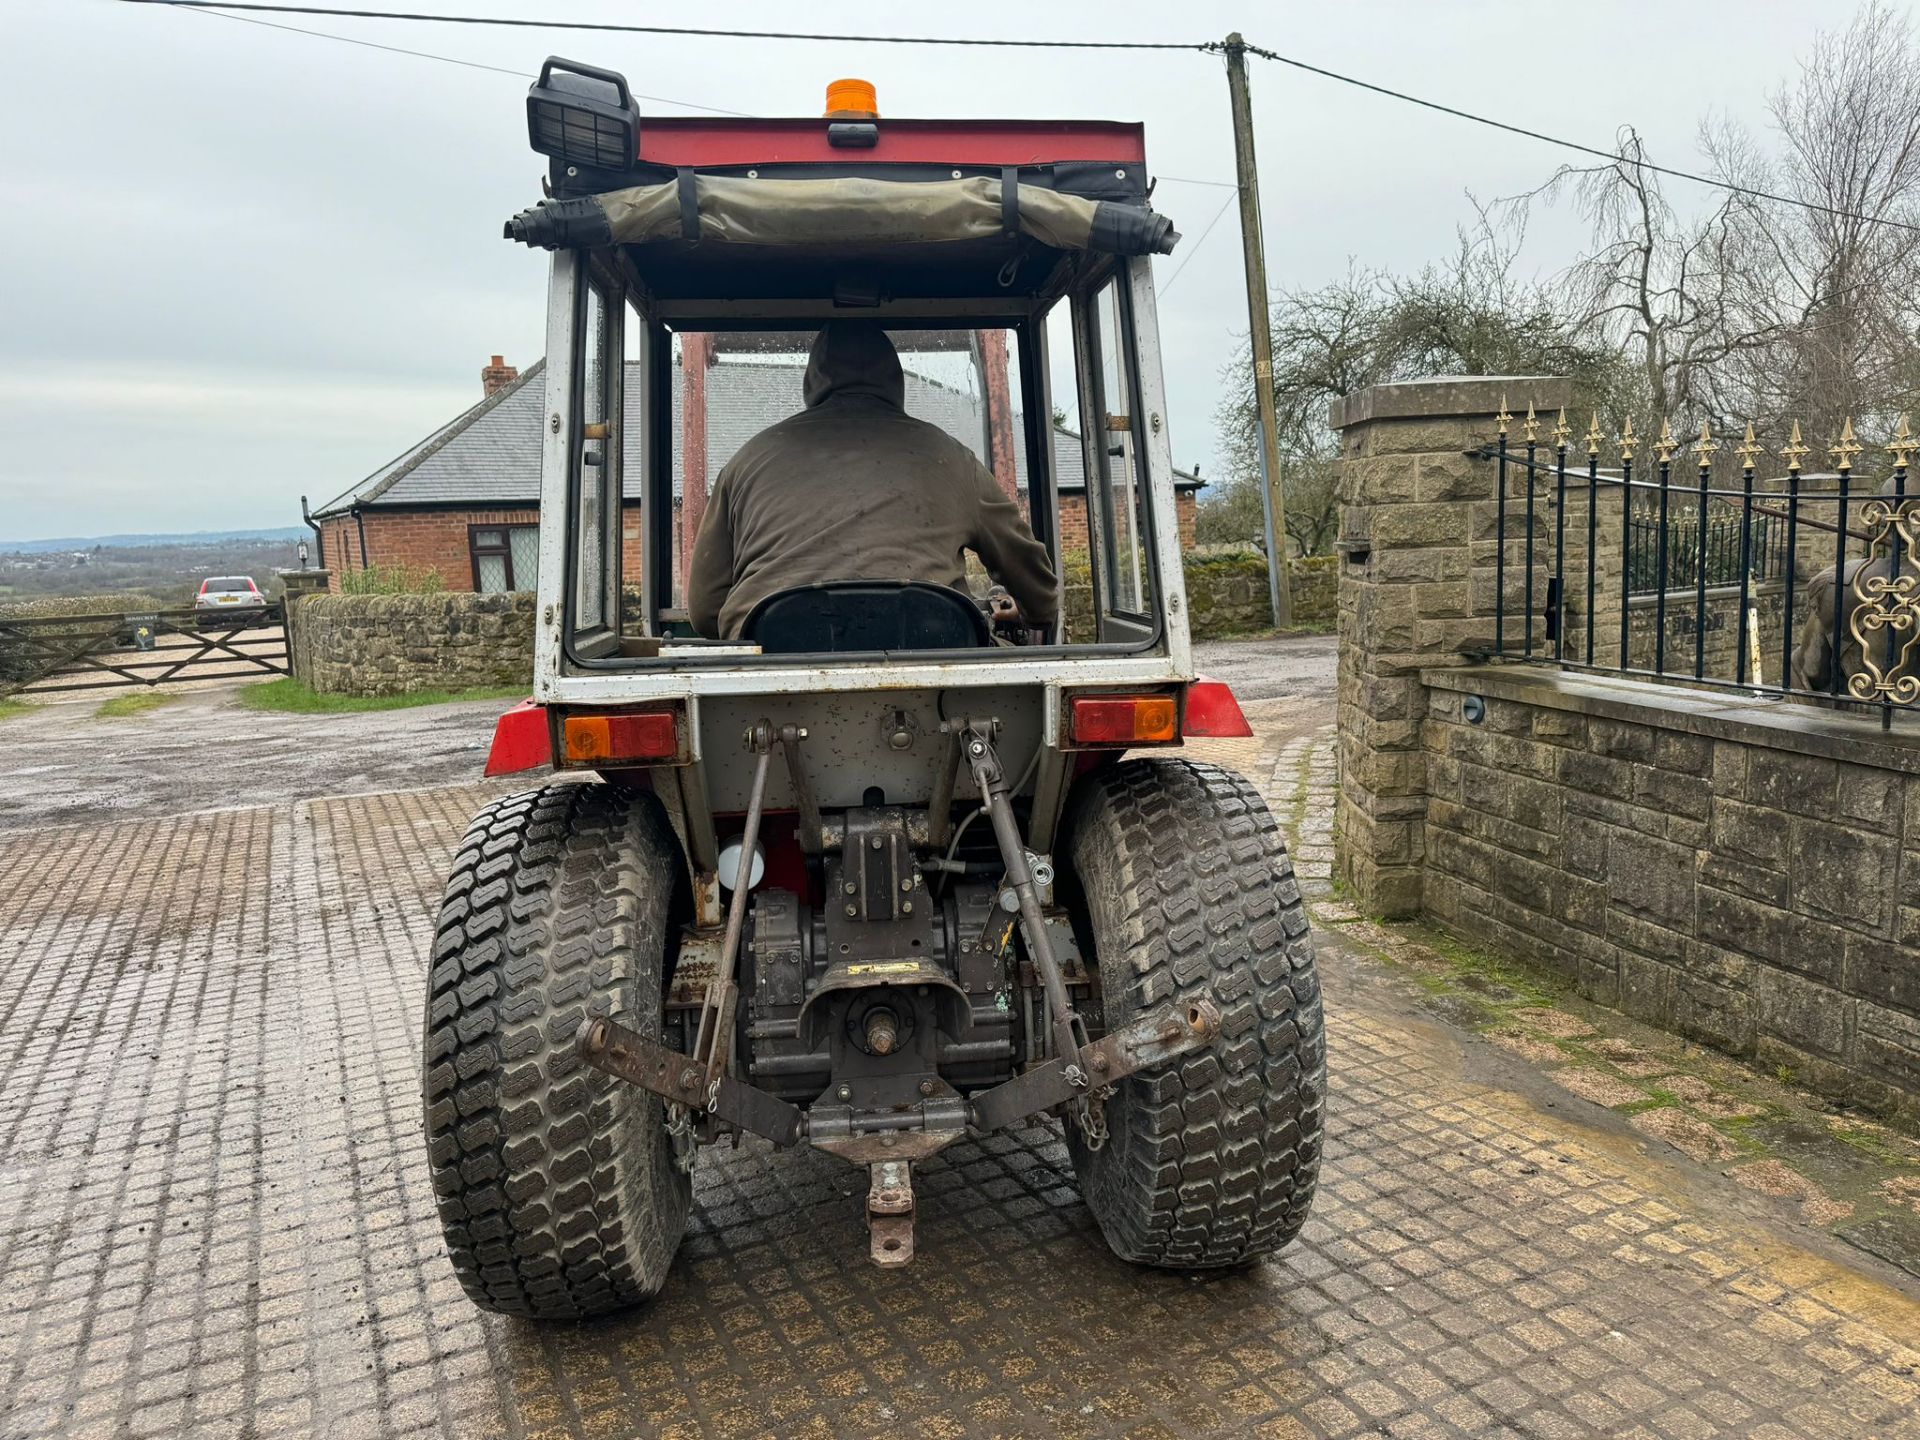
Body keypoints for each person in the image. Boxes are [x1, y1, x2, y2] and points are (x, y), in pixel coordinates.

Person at [686, 322, 1060, 641]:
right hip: (935, 674)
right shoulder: (951, 457)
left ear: (811, 383)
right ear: (894, 381)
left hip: (772, 678)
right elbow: (1036, 587)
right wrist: (1033, 612)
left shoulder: (747, 461)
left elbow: (705, 612)